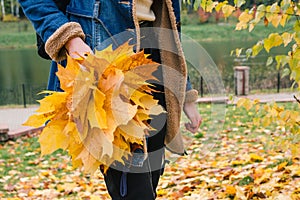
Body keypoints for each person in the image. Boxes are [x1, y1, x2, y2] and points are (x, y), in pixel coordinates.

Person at [18, 0, 202, 199]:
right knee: (135, 192)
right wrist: (68, 37)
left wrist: (185, 92)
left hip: (155, 65)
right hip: (104, 75)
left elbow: (171, 24)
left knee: (150, 180)